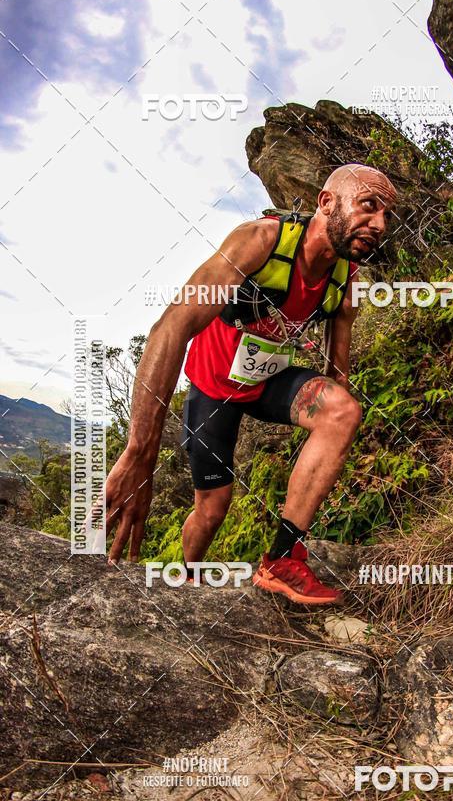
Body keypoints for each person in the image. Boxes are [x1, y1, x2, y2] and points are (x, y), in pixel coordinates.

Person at [104, 163, 397, 605]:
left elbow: (338, 374)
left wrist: (331, 447)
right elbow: (171, 327)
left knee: (343, 410)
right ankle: (189, 575)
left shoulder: (345, 280)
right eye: (369, 206)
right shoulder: (260, 241)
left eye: (387, 216)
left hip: (267, 383)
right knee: (213, 508)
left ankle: (281, 561)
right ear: (326, 202)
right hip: (213, 389)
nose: (379, 224)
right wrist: (140, 454)